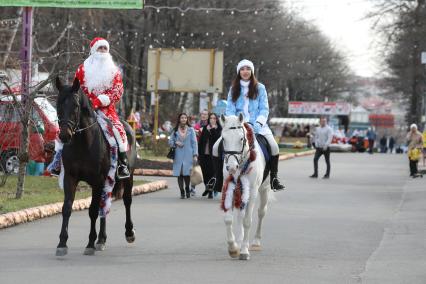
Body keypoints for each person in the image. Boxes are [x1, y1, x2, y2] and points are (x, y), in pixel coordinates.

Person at [47, 37, 130, 179]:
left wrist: (100, 100)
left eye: (105, 48)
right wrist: (84, 101)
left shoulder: (114, 71)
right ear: (93, 50)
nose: (103, 51)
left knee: (118, 129)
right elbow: (76, 89)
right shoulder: (82, 69)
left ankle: (122, 163)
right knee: (65, 127)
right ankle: (57, 162)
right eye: (100, 48)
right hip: (84, 108)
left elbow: (118, 90)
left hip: (106, 109)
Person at [212, 59, 285, 191]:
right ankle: (217, 179)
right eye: (242, 69)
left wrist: (257, 123)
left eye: (247, 69)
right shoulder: (233, 88)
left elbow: (264, 109)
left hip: (258, 126)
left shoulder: (260, 88)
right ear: (239, 72)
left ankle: (274, 178)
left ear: (251, 71)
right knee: (215, 148)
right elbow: (230, 109)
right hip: (237, 126)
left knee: (274, 147)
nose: (245, 71)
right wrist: (232, 122)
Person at [169, 113, 198, 199]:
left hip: (189, 155)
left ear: (187, 120)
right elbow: (170, 142)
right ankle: (182, 191)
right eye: (182, 118)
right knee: (179, 174)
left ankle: (187, 189)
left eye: (185, 118)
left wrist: (195, 155)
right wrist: (175, 142)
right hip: (178, 155)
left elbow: (194, 143)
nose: (184, 119)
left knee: (187, 174)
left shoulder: (191, 130)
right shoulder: (175, 131)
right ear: (179, 119)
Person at [198, 113, 222, 199]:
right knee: (205, 173)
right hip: (204, 155)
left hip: (214, 155)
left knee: (212, 173)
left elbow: (217, 139)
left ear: (217, 120)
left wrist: (212, 130)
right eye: (211, 118)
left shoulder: (219, 129)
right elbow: (201, 142)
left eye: (214, 118)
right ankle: (207, 187)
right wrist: (199, 155)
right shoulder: (205, 128)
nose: (212, 120)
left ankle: (211, 191)